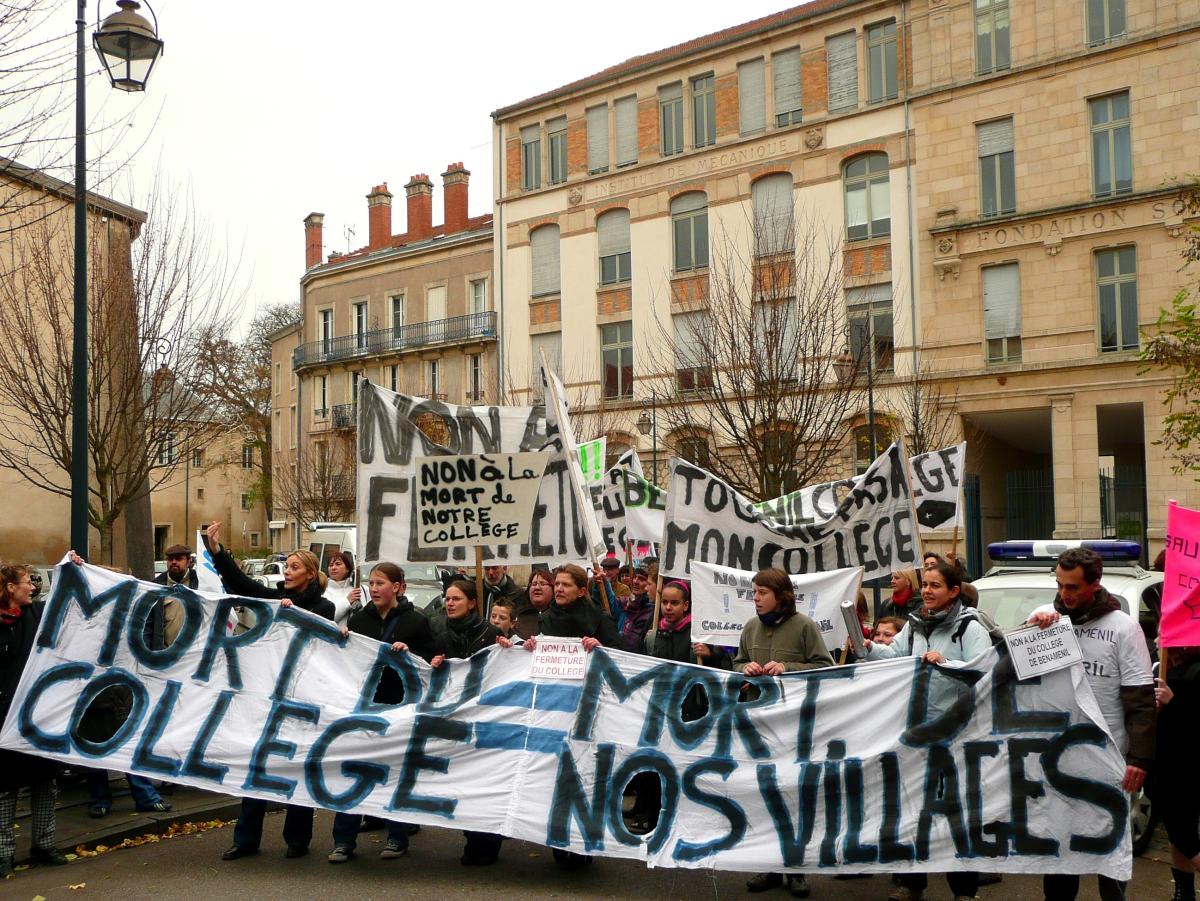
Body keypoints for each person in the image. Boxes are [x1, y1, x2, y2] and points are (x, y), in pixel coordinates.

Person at [203, 521, 336, 862]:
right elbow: (240, 583)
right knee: (257, 764)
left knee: (295, 765)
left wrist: (298, 616)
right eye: (287, 566)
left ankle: (297, 838)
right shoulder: (275, 598)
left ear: (310, 574)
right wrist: (217, 551)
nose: (287, 572)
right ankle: (246, 838)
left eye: (294, 567)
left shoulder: (323, 607)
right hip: (267, 695)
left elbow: (322, 635)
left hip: (302, 698)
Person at [1027, 547, 1154, 901]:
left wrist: (1139, 759)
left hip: (1108, 757)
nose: (1064, 594)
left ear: (1095, 584)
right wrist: (1030, 631)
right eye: (1060, 585)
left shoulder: (1123, 628)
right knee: (1058, 848)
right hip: (1055, 755)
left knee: (1108, 847)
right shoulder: (1043, 618)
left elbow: (1141, 700)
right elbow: (1016, 677)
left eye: (1073, 587)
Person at [865, 559, 989, 901]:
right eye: (925, 585)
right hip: (916, 734)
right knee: (912, 809)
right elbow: (894, 656)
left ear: (953, 591)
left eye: (935, 586)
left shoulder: (970, 627)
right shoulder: (915, 625)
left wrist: (946, 663)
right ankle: (912, 883)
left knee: (956, 813)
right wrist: (869, 648)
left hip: (956, 737)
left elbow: (982, 671)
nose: (927, 591)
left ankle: (965, 890)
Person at [503, 564, 617, 868]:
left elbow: (623, 654)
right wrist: (530, 646)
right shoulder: (547, 619)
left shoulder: (599, 619)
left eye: (568, 585)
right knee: (556, 774)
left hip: (590, 710)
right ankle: (558, 840)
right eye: (560, 584)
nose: (561, 589)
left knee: (584, 775)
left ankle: (582, 847)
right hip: (555, 711)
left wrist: (601, 647)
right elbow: (539, 656)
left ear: (582, 590)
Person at [737, 568, 833, 899]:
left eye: (762, 593)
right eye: (754, 593)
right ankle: (771, 866)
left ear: (782, 596)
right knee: (765, 797)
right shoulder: (750, 628)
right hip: (759, 727)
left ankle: (797, 870)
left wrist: (787, 668)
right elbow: (737, 664)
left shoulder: (804, 627)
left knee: (794, 796)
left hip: (795, 729)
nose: (756, 599)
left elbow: (825, 666)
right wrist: (744, 669)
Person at [328, 562, 432, 864]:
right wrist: (344, 643)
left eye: (380, 583)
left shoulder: (416, 623)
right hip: (363, 709)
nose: (373, 589)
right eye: (371, 583)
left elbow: (431, 664)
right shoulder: (360, 621)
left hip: (399, 709)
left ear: (398, 587)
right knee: (352, 771)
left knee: (394, 773)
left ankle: (397, 836)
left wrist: (410, 655)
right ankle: (343, 841)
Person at [628, 580, 730, 833]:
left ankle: (687, 818)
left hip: (691, 712)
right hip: (659, 709)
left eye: (675, 603)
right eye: (665, 602)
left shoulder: (700, 634)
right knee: (653, 763)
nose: (669, 608)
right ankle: (648, 813)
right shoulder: (652, 634)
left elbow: (724, 672)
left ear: (686, 606)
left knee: (685, 765)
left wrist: (711, 655)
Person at [429, 580, 504, 866]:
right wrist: (434, 663)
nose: (449, 603)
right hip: (457, 720)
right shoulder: (440, 633)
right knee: (465, 782)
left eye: (456, 599)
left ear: (472, 603)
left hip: (487, 719)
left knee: (485, 781)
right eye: (447, 598)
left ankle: (488, 842)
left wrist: (508, 649)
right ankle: (472, 838)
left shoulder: (492, 634)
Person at [0, 564, 66, 878]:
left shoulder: (35, 617)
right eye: (27, 582)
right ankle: (3, 853)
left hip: (37, 717)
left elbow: (68, 599)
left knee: (44, 783)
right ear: (10, 587)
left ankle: (44, 844)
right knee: (4, 789)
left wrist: (74, 568)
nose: (33, 587)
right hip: (3, 720)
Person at [1154, 647, 1200, 901]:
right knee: (1180, 831)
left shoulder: (1195, 672)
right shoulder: (1165, 668)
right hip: (1169, 761)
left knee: (1181, 833)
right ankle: (1184, 893)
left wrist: (1173, 703)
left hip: (1186, 767)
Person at [615, 565, 653, 651]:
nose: (635, 581)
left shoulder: (649, 611)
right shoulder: (630, 602)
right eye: (635, 577)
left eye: (642, 579)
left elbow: (631, 644)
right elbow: (613, 603)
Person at [514, 568, 553, 639]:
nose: (537, 587)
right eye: (534, 584)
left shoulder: (559, 616)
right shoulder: (517, 615)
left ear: (553, 588)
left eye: (543, 583)